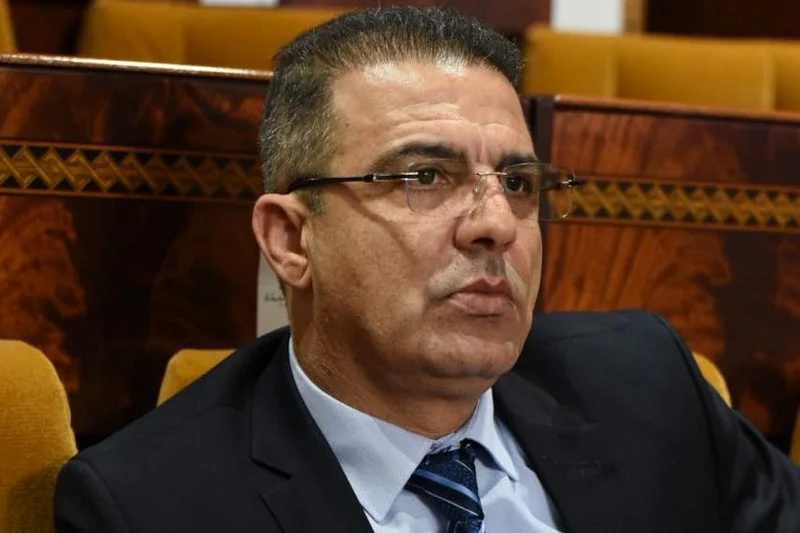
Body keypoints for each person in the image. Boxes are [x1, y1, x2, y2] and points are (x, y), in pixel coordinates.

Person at [54, 6, 800, 533]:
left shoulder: (646, 386)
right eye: (424, 177)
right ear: (291, 240)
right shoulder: (150, 505)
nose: (495, 223)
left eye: (518, 182)